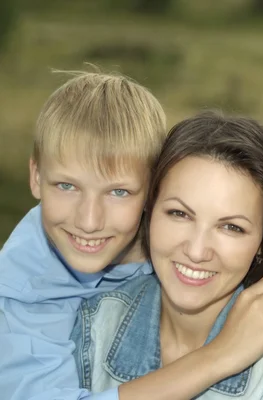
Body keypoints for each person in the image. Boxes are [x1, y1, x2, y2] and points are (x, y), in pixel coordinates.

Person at [70, 111, 263, 399]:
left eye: (231, 227)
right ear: (149, 209)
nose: (196, 251)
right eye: (179, 214)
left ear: (261, 241)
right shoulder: (91, 327)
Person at [0, 70, 167, 400]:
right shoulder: (21, 290)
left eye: (118, 192)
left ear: (153, 190)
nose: (89, 221)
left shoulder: (183, 234)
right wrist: (219, 358)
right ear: (36, 177)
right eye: (67, 186)